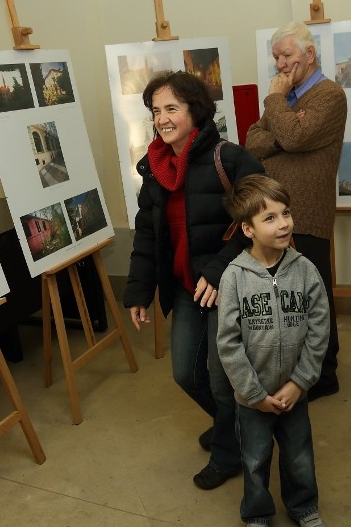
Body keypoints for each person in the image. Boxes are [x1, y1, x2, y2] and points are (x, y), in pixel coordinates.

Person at [123, 70, 265, 490]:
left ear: (194, 111)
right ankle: (235, 428)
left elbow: (263, 216)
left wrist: (221, 267)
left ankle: (228, 453)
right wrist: (138, 291)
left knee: (224, 383)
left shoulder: (231, 158)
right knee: (185, 373)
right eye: (155, 111)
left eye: (171, 108)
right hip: (185, 288)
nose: (162, 118)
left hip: (229, 288)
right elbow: (147, 236)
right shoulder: (154, 169)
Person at [217, 174, 330, 527]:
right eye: (270, 218)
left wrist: (300, 382)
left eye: (285, 213)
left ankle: (303, 507)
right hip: (253, 398)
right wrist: (253, 394)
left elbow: (319, 330)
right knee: (254, 459)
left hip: (294, 392)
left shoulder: (306, 271)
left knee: (299, 456)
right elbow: (228, 342)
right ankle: (257, 513)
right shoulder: (234, 276)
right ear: (246, 229)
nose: (283, 224)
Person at [245, 21, 347, 400]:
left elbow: (295, 136)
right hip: (274, 212)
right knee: (287, 297)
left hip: (308, 214)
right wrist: (283, 130)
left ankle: (326, 374)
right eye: (275, 57)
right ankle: (296, 368)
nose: (280, 64)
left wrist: (277, 107)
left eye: (286, 55)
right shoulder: (285, 100)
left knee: (315, 295)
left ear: (309, 54)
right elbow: (252, 141)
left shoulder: (329, 95)